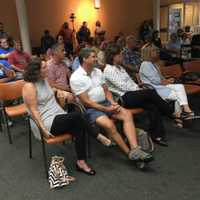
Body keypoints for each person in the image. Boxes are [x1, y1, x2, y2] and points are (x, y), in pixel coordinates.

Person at [22, 58, 111, 176]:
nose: (47, 68)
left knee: (78, 127)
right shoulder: (29, 87)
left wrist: (63, 92)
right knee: (77, 117)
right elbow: (33, 111)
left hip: (57, 115)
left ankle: (81, 162)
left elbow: (51, 90)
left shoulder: (44, 80)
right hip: (45, 121)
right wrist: (43, 129)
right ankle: (97, 135)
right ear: (36, 71)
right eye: (44, 67)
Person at [70, 48, 153, 164]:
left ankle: (135, 149)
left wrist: (112, 102)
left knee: (127, 114)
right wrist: (106, 109)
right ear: (85, 59)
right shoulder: (76, 77)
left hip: (106, 103)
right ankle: (128, 153)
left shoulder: (98, 71)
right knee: (109, 125)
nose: (96, 59)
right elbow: (87, 102)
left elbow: (106, 90)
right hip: (90, 109)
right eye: (93, 57)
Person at [104, 44, 174, 145]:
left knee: (152, 106)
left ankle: (157, 136)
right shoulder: (108, 69)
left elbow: (130, 82)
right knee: (150, 92)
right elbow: (123, 86)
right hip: (123, 97)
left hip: (132, 94)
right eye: (120, 55)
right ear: (113, 56)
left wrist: (137, 88)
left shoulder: (120, 68)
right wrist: (138, 90)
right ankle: (170, 112)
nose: (122, 56)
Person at [139, 44, 194, 127]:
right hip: (154, 89)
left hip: (160, 86)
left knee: (179, 91)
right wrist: (165, 82)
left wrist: (166, 80)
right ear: (148, 53)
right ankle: (182, 113)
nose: (157, 52)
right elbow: (155, 80)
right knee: (179, 92)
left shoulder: (152, 63)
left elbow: (159, 78)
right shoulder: (145, 64)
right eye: (154, 51)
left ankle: (180, 116)